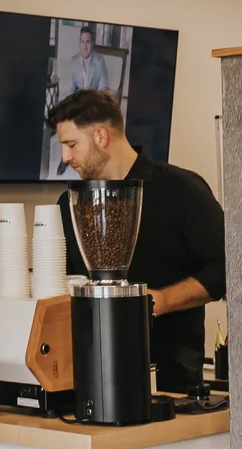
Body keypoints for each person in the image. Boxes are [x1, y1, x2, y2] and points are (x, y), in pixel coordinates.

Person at [51, 88, 226, 392]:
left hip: (173, 387)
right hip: (86, 381)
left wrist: (162, 301)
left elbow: (227, 267)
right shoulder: (69, 204)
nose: (65, 158)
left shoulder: (181, 190)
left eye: (71, 144)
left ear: (101, 137)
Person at [63, 23, 113, 97]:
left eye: (88, 42)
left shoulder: (100, 61)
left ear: (92, 44)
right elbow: (71, 89)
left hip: (93, 100)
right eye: (82, 42)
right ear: (79, 44)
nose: (85, 47)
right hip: (79, 102)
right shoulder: (74, 61)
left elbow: (102, 89)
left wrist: (107, 92)